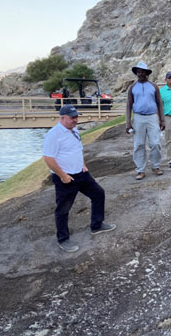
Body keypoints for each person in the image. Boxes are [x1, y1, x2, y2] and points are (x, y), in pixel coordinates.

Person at [43, 104, 116, 253]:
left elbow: (77, 149)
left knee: (98, 193)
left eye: (77, 117)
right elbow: (48, 158)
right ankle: (63, 239)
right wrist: (63, 176)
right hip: (66, 177)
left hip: (81, 173)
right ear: (63, 118)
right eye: (72, 117)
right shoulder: (54, 135)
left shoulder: (74, 130)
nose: (76, 120)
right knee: (63, 209)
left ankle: (96, 225)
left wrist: (83, 164)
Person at [126, 61, 165, 180]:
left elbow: (159, 104)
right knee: (139, 144)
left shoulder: (153, 86)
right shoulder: (132, 87)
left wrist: (162, 120)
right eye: (138, 72)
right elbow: (128, 106)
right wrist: (128, 123)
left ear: (147, 73)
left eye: (143, 72)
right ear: (136, 73)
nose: (140, 74)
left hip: (152, 116)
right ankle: (140, 170)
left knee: (155, 143)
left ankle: (155, 166)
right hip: (138, 118)